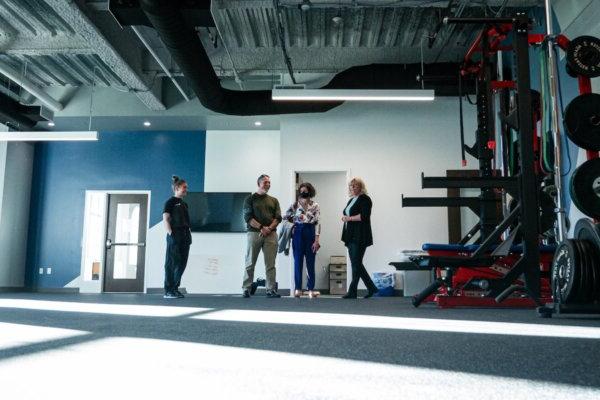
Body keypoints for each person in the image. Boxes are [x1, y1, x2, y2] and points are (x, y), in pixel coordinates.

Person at [242, 174, 282, 298]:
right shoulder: (250, 199)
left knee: (270, 264)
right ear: (259, 183)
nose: (268, 184)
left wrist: (269, 229)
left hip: (271, 234)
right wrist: (261, 228)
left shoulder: (274, 200)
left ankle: (270, 289)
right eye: (265, 182)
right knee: (250, 262)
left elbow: (278, 217)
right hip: (254, 234)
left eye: (269, 182)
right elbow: (248, 218)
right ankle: (246, 289)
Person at [341, 177, 378, 299]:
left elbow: (364, 216)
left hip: (360, 235)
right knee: (356, 263)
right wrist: (345, 217)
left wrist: (349, 218)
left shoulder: (365, 199)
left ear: (361, 187)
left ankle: (353, 291)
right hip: (350, 235)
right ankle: (371, 288)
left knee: (356, 263)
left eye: (355, 186)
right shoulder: (351, 200)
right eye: (351, 186)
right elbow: (348, 214)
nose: (352, 188)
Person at [285, 182, 321, 298]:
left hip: (310, 232)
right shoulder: (295, 205)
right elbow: (286, 217)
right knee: (298, 262)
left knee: (310, 262)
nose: (303, 193)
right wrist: (293, 225)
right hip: (298, 233)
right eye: (301, 191)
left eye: (305, 191)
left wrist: (316, 240)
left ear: (310, 191)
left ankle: (310, 289)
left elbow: (318, 224)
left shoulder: (315, 205)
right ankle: (298, 289)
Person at [162, 175, 192, 299]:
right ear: (177, 188)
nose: (186, 189)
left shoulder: (184, 204)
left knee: (182, 264)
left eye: (186, 187)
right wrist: (171, 234)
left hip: (186, 236)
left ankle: (175, 288)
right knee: (172, 263)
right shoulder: (170, 202)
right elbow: (166, 219)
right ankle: (168, 290)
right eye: (185, 187)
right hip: (175, 235)